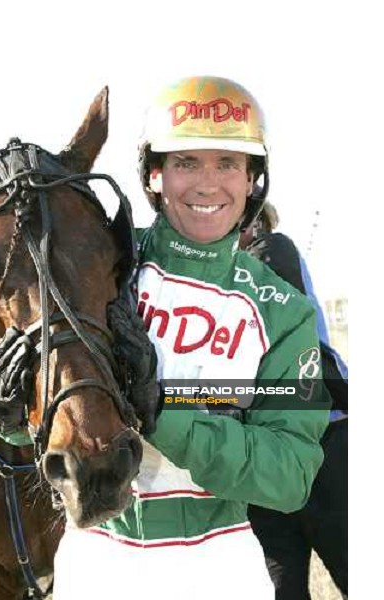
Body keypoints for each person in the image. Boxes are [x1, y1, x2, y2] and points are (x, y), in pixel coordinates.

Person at [52, 76, 330, 600]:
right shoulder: (98, 266)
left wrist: (164, 414)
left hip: (221, 565)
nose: (208, 184)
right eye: (186, 163)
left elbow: (291, 475)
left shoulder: (284, 312)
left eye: (228, 163)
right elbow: (32, 435)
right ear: (154, 175)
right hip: (95, 559)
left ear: (253, 181)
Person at [241, 203, 348, 598]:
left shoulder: (270, 251)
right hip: (270, 457)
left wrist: (183, 398)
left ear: (252, 223)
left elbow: (287, 373)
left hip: (322, 441)